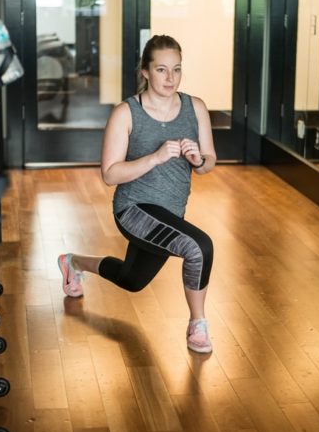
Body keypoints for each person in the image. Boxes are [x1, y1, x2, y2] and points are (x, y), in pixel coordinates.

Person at [58, 35, 217, 353]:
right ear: (145, 71)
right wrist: (155, 157)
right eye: (161, 70)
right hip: (133, 209)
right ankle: (197, 325)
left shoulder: (195, 107)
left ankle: (73, 262)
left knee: (132, 279)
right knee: (199, 247)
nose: (170, 78)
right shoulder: (126, 113)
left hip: (171, 214)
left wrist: (198, 160)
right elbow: (109, 174)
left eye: (176, 69)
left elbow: (208, 162)